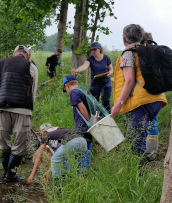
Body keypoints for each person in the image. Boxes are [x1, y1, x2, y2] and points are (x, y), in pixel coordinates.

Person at [110, 24, 167, 161]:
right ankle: (147, 157)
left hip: (141, 102)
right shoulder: (149, 51)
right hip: (156, 99)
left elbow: (129, 81)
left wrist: (119, 104)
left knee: (135, 141)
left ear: (124, 39)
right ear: (141, 37)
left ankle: (138, 177)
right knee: (142, 133)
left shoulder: (129, 53)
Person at [0, 45, 38, 182]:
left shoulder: (2, 63)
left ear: (14, 54)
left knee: (4, 141)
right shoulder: (31, 66)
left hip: (3, 106)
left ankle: (7, 173)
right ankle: (10, 174)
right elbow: (33, 91)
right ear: (28, 56)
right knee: (21, 143)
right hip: (22, 108)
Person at [71, 42, 113, 111]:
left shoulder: (106, 58)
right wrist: (76, 70)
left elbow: (111, 69)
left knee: (105, 100)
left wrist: (109, 74)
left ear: (99, 49)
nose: (93, 51)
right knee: (93, 101)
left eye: (94, 49)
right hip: (95, 83)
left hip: (106, 82)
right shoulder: (90, 59)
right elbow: (84, 66)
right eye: (91, 50)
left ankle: (108, 115)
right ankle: (96, 116)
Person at [62, 74, 93, 151]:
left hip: (83, 125)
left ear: (66, 85)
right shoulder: (82, 90)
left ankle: (83, 163)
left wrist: (89, 122)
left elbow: (82, 108)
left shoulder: (73, 92)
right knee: (88, 147)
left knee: (82, 149)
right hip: (88, 124)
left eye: (65, 88)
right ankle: (87, 162)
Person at [140, 32, 159, 159]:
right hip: (159, 93)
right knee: (153, 121)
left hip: (147, 92)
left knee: (147, 122)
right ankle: (150, 152)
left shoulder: (144, 54)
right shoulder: (158, 52)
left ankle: (148, 152)